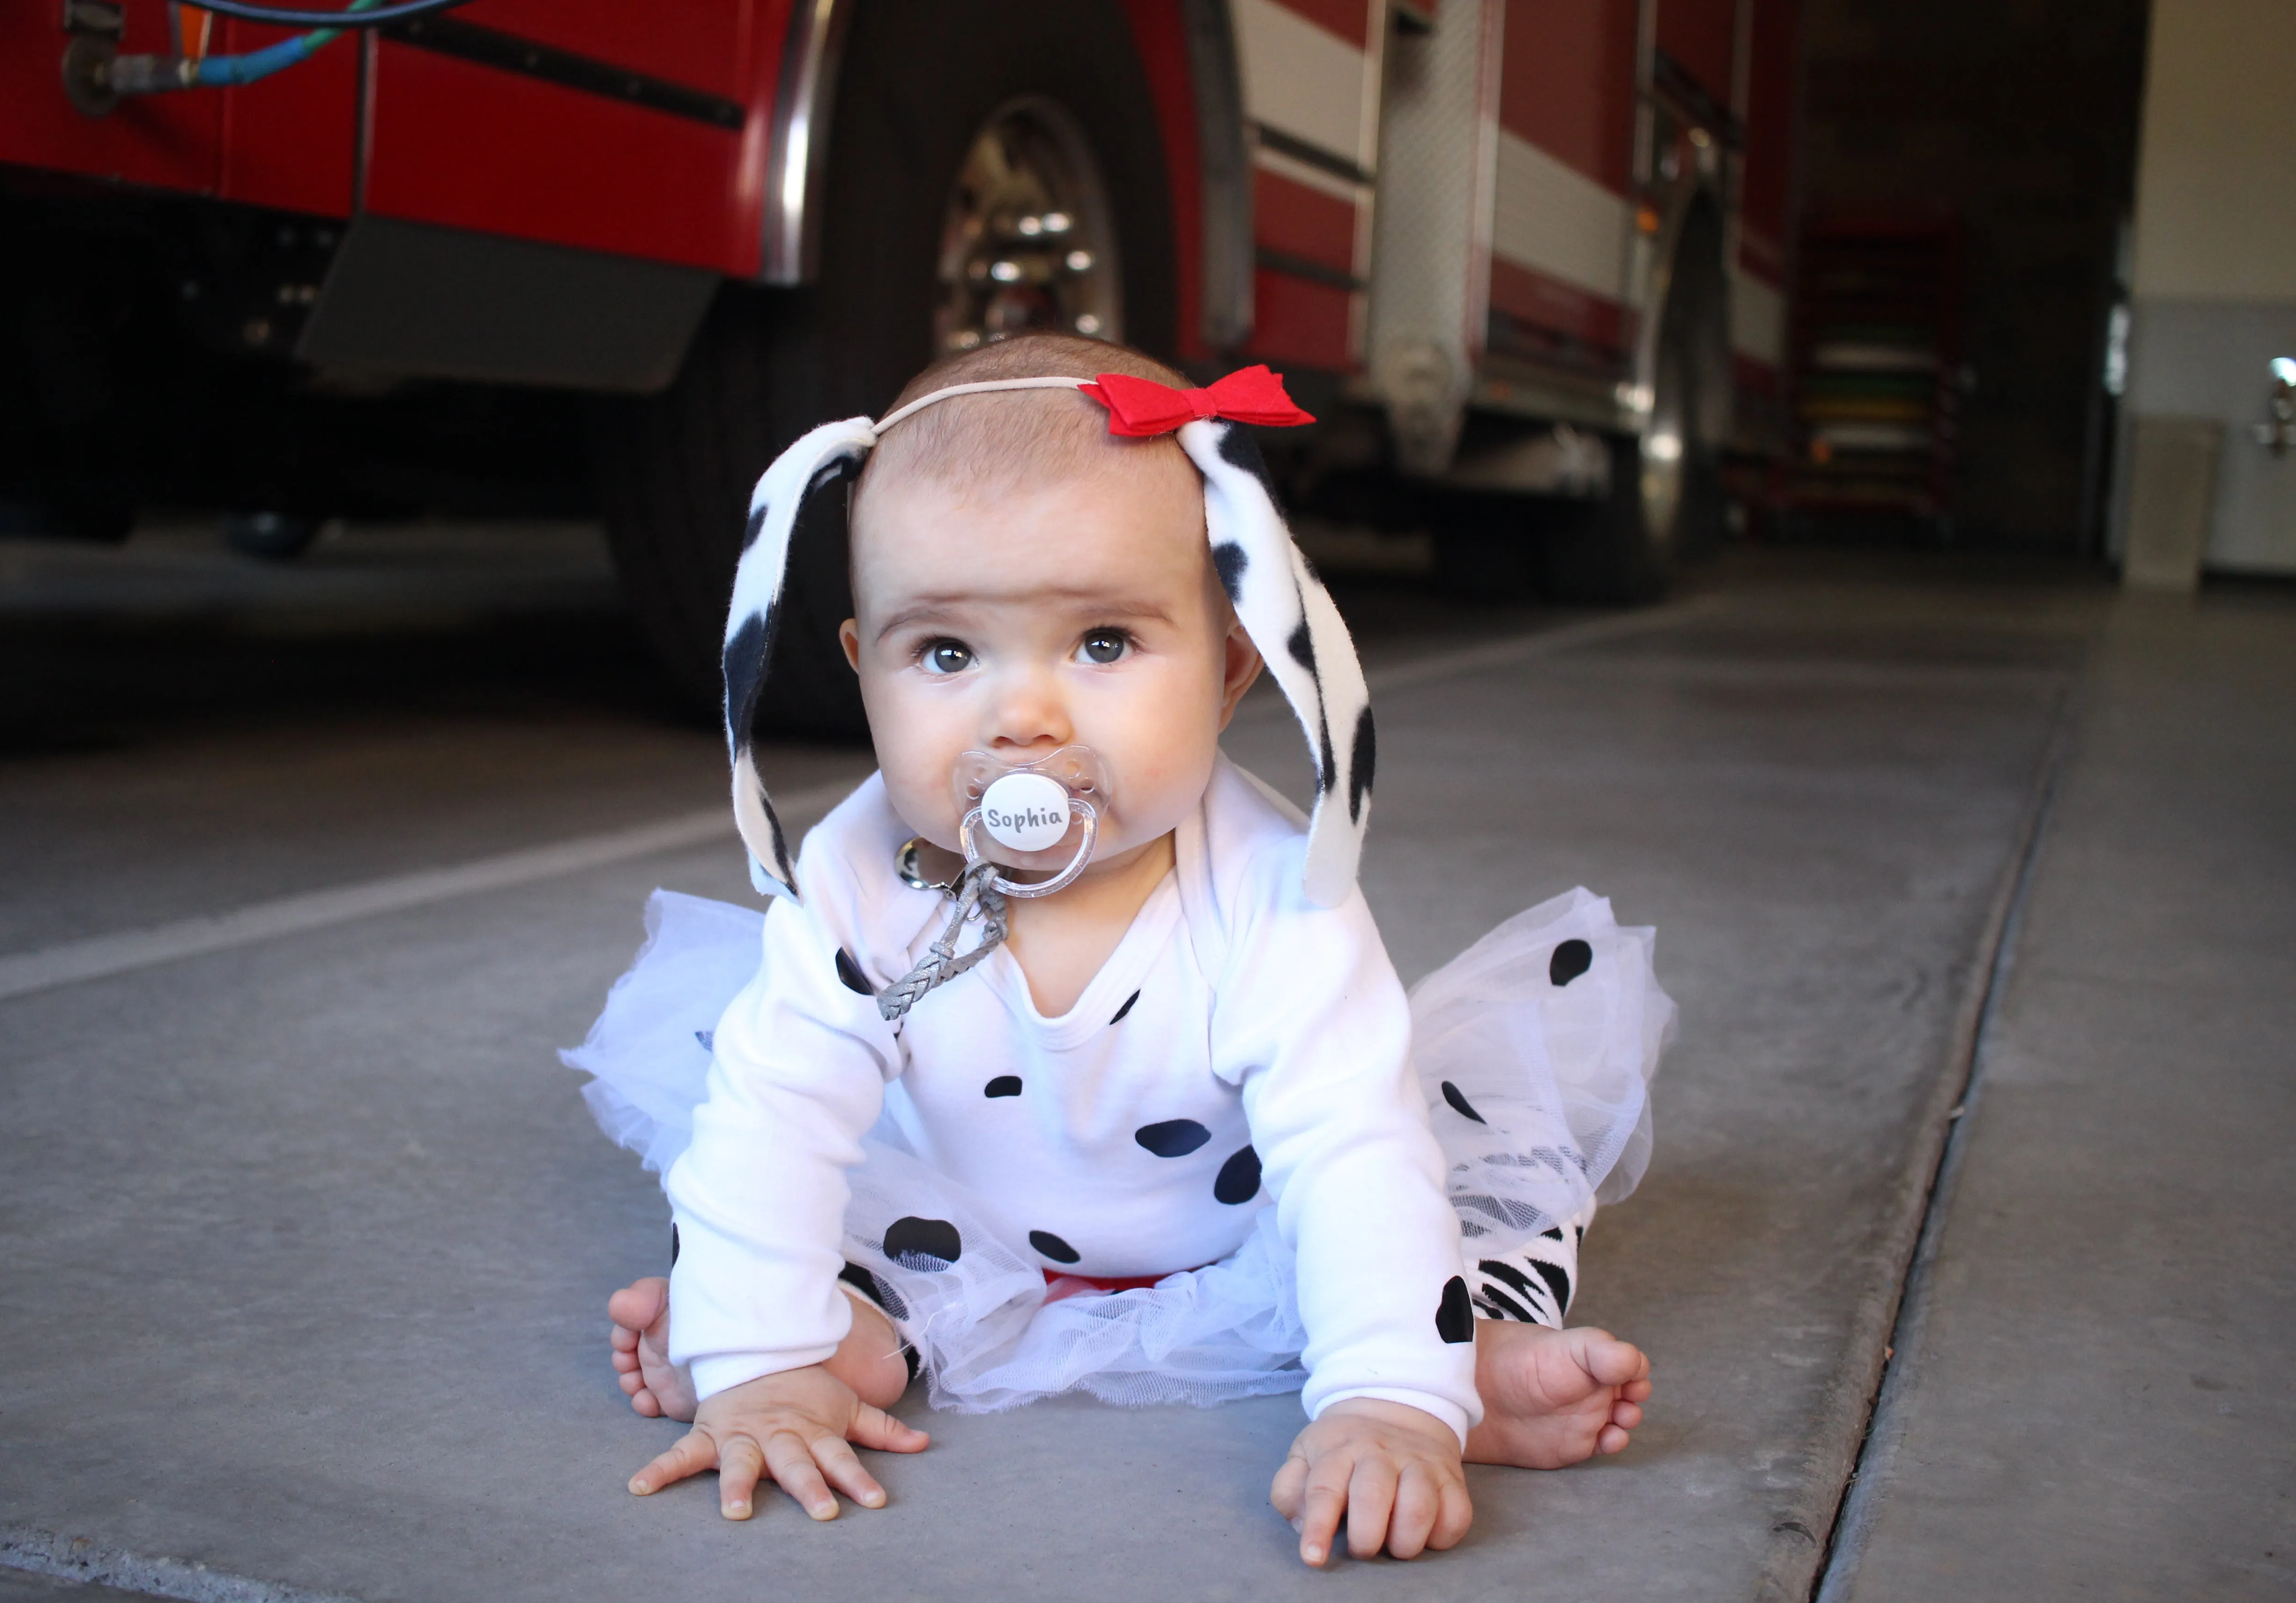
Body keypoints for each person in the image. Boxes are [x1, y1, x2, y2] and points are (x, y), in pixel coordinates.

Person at [568, 333, 1670, 1567]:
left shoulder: (1275, 894)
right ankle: (810, 1348)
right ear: (859, 672)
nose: (1022, 717)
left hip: (1240, 1221)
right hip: (962, 1210)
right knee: (760, 1178)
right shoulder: (855, 878)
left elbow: (1348, 1150)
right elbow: (778, 1123)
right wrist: (753, 1363)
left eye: (1102, 643)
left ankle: (1455, 1365)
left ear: (1232, 669)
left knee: (1432, 1190)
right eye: (945, 652)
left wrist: (1387, 1402)